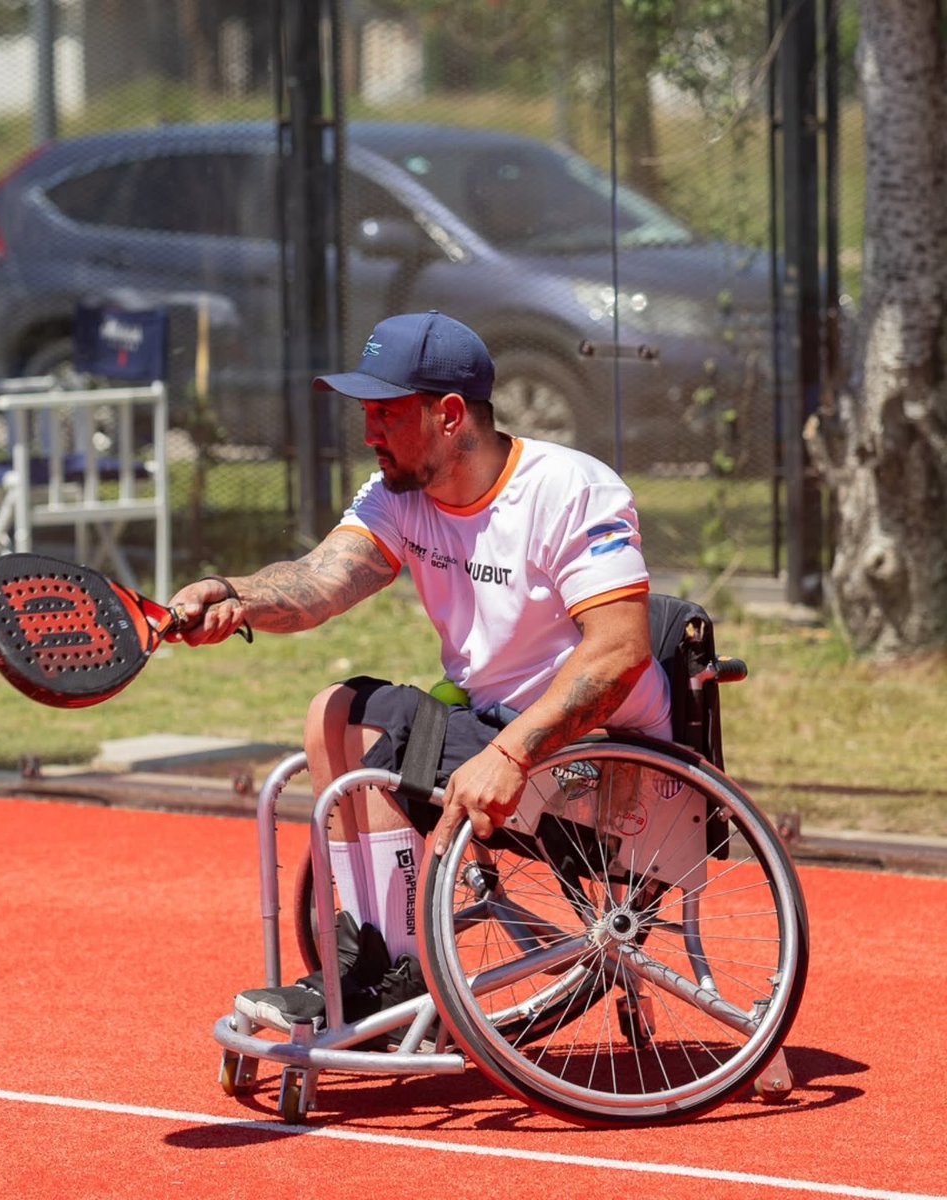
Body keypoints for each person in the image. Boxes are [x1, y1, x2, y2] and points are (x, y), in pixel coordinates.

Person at [168, 310, 672, 1033]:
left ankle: (395, 973)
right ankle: (372, 960)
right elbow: (320, 579)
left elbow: (619, 655)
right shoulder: (401, 495)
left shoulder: (571, 491)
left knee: (394, 755)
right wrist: (236, 597)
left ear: (450, 415)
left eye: (385, 414)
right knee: (337, 712)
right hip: (496, 735)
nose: (369, 433)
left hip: (604, 768)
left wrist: (511, 753)